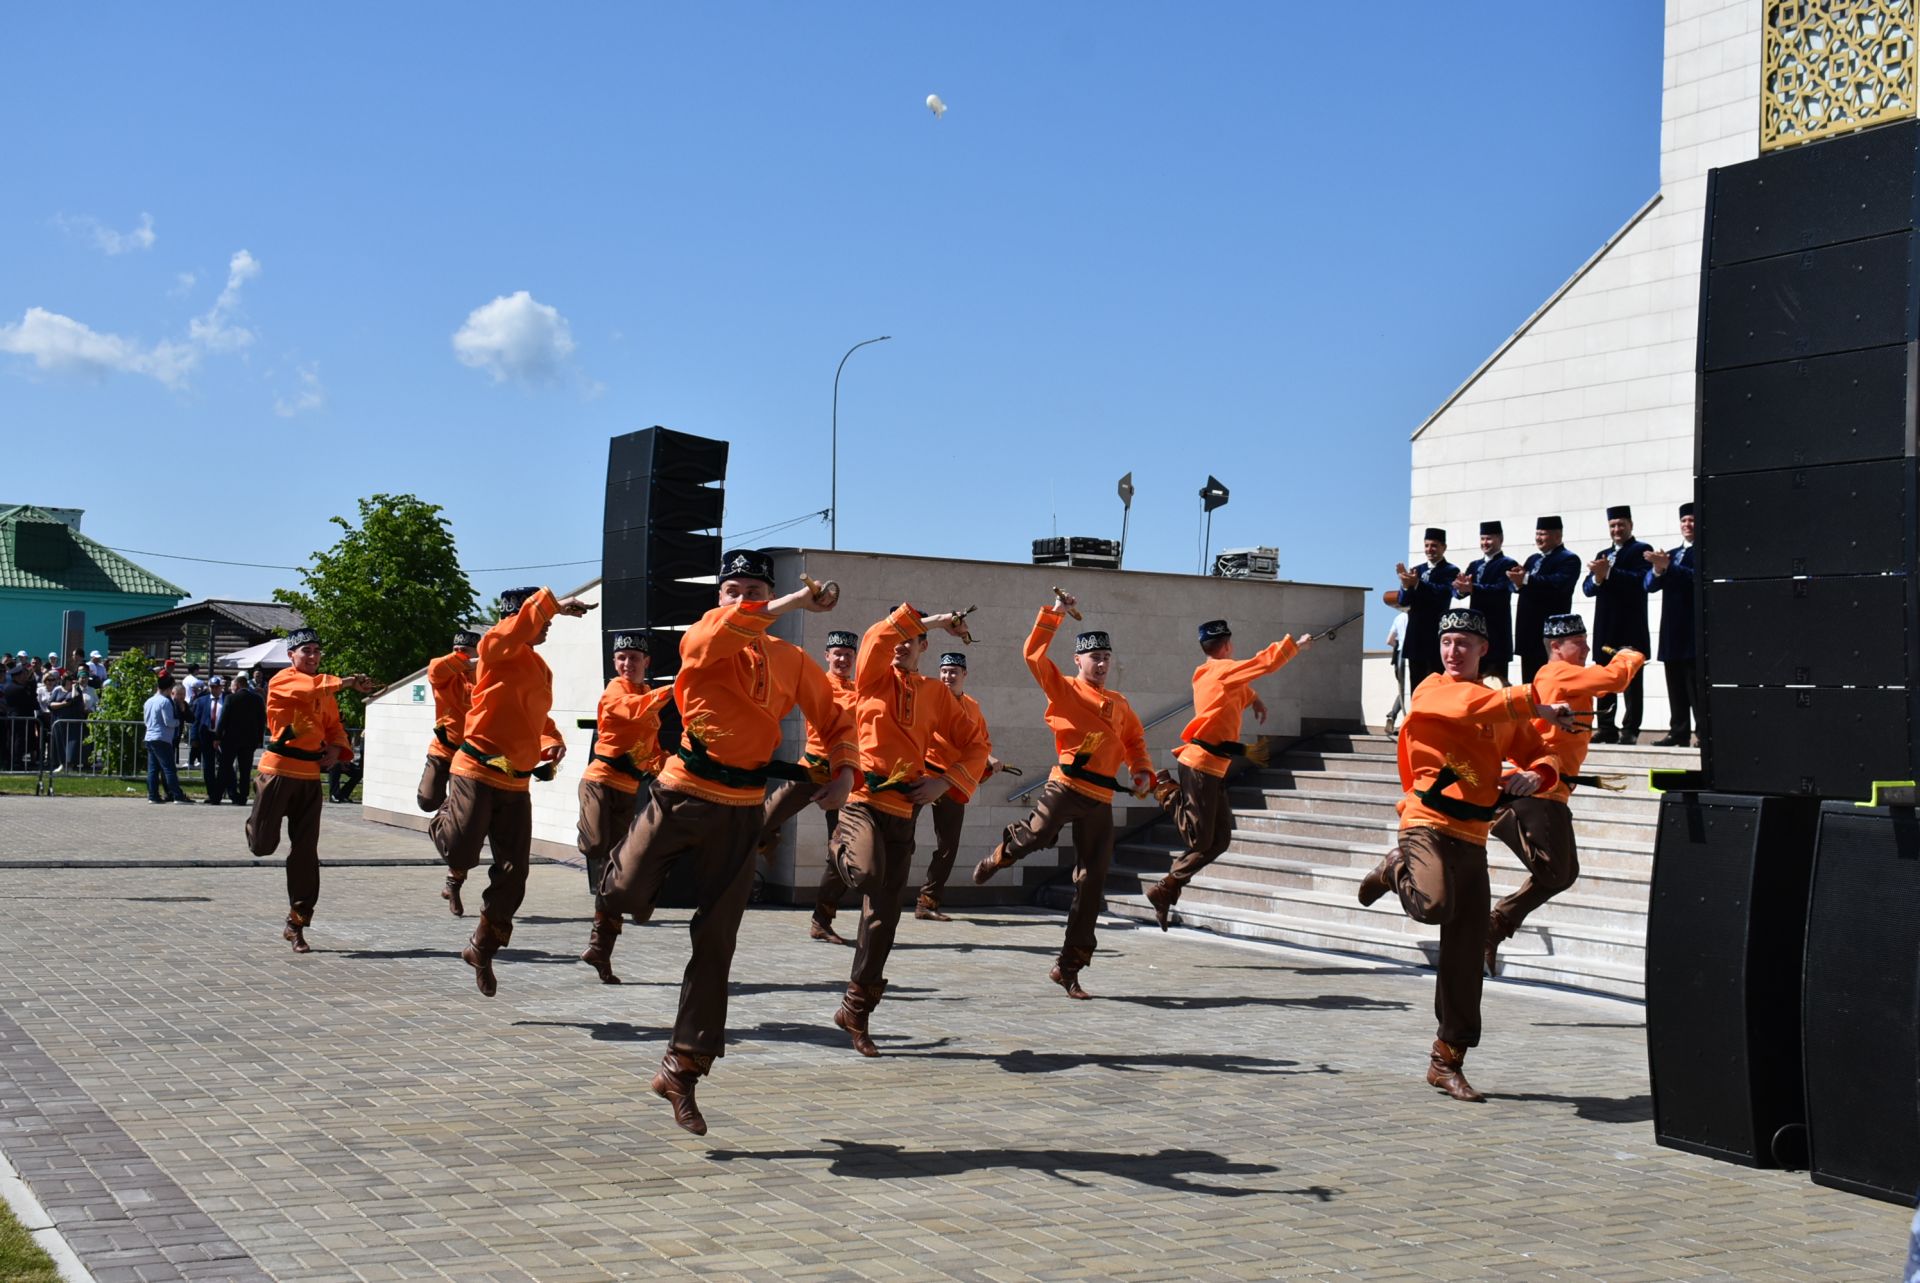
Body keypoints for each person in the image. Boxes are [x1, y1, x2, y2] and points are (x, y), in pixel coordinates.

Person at [595, 549, 856, 1135]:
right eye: (733, 589)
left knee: (717, 941)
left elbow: (835, 718)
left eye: (754, 589)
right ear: (720, 597)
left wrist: (842, 769)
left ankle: (682, 1067)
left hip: (742, 810)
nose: (742, 598)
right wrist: (787, 601)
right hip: (681, 793)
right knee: (626, 895)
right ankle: (606, 911)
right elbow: (725, 633)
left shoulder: (791, 660)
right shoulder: (702, 636)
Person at [1355, 607, 1573, 1101]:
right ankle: (1395, 869)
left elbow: (1543, 752)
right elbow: (1467, 708)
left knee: (1466, 952)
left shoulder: (1499, 705)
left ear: (1483, 650)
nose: (1453, 652)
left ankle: (1446, 1059)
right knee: (1433, 904)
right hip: (1426, 823)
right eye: (1447, 642)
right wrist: (1533, 703)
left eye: (1463, 644)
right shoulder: (1432, 689)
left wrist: (1534, 775)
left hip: (1472, 834)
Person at [973, 590, 1152, 1000]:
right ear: (1079, 660)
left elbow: (1135, 741)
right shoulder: (1066, 690)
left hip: (1100, 800)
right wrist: (1055, 614)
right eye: (1095, 658)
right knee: (1035, 835)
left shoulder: (1120, 703)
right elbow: (1033, 655)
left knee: (1092, 881)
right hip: (1064, 786)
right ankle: (1002, 855)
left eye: (1107, 658)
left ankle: (1068, 966)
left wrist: (1142, 771)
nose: (1102, 664)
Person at [829, 605, 987, 1055]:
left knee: (883, 917)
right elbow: (879, 637)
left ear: (924, 649)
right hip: (863, 801)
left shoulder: (936, 694)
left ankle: (855, 1008)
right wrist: (933, 618)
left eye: (912, 640)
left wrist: (943, 781)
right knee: (865, 874)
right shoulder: (871, 678)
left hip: (904, 810)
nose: (901, 645)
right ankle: (836, 840)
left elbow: (975, 744)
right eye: (899, 638)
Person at [430, 586, 591, 993]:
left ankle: (482, 945)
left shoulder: (540, 667)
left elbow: (535, 716)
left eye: (549, 622)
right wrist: (553, 603)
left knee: (514, 873)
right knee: (461, 848)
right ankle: (441, 824)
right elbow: (517, 627)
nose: (548, 627)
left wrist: (550, 741)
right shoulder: (496, 644)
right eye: (543, 621)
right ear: (518, 618)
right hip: (476, 769)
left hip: (515, 783)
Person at [1485, 613, 1646, 976]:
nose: (1587, 648)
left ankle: (1495, 926)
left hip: (1555, 786)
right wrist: (1629, 655)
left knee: (1565, 873)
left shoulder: (1569, 676)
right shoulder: (1558, 671)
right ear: (1556, 647)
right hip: (1539, 783)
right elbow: (1615, 679)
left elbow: (1602, 687)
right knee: (1558, 873)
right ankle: (1494, 919)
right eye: (1580, 642)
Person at [1144, 618, 1311, 930]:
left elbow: (1237, 691)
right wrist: (1294, 646)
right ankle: (1166, 791)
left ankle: (1166, 888)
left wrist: (1256, 700)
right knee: (1199, 837)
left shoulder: (1212, 674)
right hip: (1199, 766)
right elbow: (1264, 663)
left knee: (1219, 840)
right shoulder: (1224, 670)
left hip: (1212, 767)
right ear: (1228, 645)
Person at [245, 627, 376, 952]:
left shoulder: (325, 689)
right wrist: (347, 681)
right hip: (278, 771)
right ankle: (254, 822)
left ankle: (297, 922)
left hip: (308, 776)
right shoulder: (283, 681)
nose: (313, 656)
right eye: (307, 651)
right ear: (292, 655)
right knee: (262, 845)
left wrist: (337, 748)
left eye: (317, 650)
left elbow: (333, 725)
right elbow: (309, 690)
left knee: (305, 854)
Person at [576, 628, 675, 982]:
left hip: (628, 788)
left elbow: (650, 749)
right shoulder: (616, 691)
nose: (627, 664)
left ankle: (600, 949)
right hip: (600, 782)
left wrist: (671, 767)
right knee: (597, 846)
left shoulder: (647, 693)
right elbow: (630, 713)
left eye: (634, 658)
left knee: (614, 874)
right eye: (621, 658)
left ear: (646, 662)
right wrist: (674, 688)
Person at [753, 629, 862, 944]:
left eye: (848, 654)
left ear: (854, 658)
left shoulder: (861, 692)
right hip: (812, 767)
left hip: (843, 776)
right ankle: (762, 842)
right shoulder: (816, 682)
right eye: (836, 653)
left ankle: (822, 921)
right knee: (761, 819)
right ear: (826, 656)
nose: (842, 658)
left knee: (841, 851)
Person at [915, 650, 1000, 921]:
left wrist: (988, 758)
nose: (948, 675)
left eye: (953, 671)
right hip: (923, 773)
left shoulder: (972, 706)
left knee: (948, 845)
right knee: (900, 837)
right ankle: (886, 894)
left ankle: (927, 902)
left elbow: (981, 742)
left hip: (952, 780)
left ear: (964, 675)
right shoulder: (928, 698)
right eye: (944, 671)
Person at [1581, 505, 1653, 744]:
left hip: (1630, 624)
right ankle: (1606, 726)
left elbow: (1640, 580)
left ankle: (1630, 729)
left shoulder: (1641, 550)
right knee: (1604, 677)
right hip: (1606, 625)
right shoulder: (1603, 553)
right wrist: (1598, 577)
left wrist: (1609, 572)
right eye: (1613, 525)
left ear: (1631, 525)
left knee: (1632, 679)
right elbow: (1587, 589)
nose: (1617, 529)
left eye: (1621, 524)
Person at [1645, 502, 1698, 747]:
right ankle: (1678, 731)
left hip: (1693, 626)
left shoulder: (1706, 550)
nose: (1687, 525)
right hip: (1671, 627)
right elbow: (1649, 585)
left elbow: (1695, 578)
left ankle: (1704, 734)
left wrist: (1669, 567)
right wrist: (1657, 568)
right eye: (1684, 521)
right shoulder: (1673, 554)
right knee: (1674, 683)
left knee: (1695, 685)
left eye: (1692, 520)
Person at [1508, 516, 1581, 684]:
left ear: (1557, 536)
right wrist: (1517, 582)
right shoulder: (1533, 559)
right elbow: (1520, 586)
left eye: (1543, 534)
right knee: (1529, 682)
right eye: (1537, 534)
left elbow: (1558, 583)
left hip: (1550, 633)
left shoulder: (1568, 559)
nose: (1539, 538)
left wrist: (1526, 579)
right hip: (1528, 631)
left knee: (1550, 682)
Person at [1383, 528, 1459, 689]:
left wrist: (1417, 584)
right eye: (1427, 545)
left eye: (1434, 545)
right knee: (1416, 686)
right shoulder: (1417, 570)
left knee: (1435, 684)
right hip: (1415, 635)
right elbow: (1404, 602)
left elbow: (1442, 593)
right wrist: (1405, 586)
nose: (1429, 549)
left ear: (1443, 547)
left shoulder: (1451, 570)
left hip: (1435, 635)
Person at [1452, 521, 1518, 681]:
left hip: (1497, 631)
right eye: (1482, 539)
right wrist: (1459, 588)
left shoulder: (1508, 564)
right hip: (1475, 631)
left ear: (1500, 539)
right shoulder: (1474, 565)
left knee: (1496, 680)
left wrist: (1474, 588)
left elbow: (1502, 589)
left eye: (1489, 539)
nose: (1485, 543)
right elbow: (1459, 592)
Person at [143, 674, 194, 804]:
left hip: (149, 736)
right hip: (162, 737)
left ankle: (153, 795)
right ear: (168, 688)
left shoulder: (149, 701)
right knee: (169, 769)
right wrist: (178, 722)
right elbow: (168, 721)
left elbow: (146, 720)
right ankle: (177, 795)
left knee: (153, 769)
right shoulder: (165, 701)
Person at [216, 674, 266, 804]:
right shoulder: (257, 699)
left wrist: (218, 736)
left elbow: (223, 719)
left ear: (237, 686)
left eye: (232, 686)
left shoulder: (230, 698)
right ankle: (243, 796)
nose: (231, 689)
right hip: (249, 740)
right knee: (245, 770)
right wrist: (259, 739)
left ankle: (217, 795)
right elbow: (262, 721)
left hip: (231, 739)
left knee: (225, 767)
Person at [189, 677, 227, 800]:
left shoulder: (227, 700)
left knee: (225, 765)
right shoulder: (201, 701)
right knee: (208, 766)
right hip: (206, 736)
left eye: (216, 687)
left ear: (221, 687)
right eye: (212, 687)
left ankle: (223, 792)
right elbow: (196, 721)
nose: (214, 689)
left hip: (222, 736)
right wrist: (194, 738)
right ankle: (212, 794)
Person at [1383, 609, 1409, 736]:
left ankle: (1392, 715)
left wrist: (1399, 645)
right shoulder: (1418, 616)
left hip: (1400, 657)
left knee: (1403, 690)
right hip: (1413, 656)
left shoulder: (1399, 618)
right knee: (1414, 690)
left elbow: (1389, 640)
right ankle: (1408, 723)